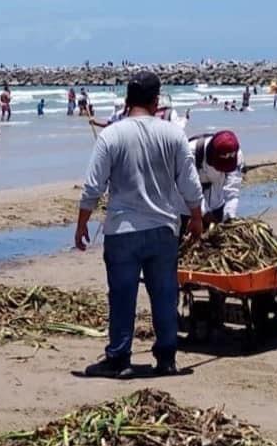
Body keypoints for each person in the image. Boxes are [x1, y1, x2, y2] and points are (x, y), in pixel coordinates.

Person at [74, 71, 204, 378]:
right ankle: (167, 358)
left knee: (122, 295)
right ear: (156, 101)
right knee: (164, 294)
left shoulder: (112, 135)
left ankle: (120, 358)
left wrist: (82, 224)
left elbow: (93, 185)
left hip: (123, 230)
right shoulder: (173, 134)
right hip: (163, 229)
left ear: (126, 100)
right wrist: (197, 217)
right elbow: (190, 183)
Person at [182, 130, 243, 231]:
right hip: (189, 210)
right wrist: (205, 214)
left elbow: (232, 190)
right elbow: (189, 189)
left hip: (217, 204)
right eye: (220, 167)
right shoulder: (189, 153)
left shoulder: (236, 155)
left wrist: (229, 216)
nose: (222, 171)